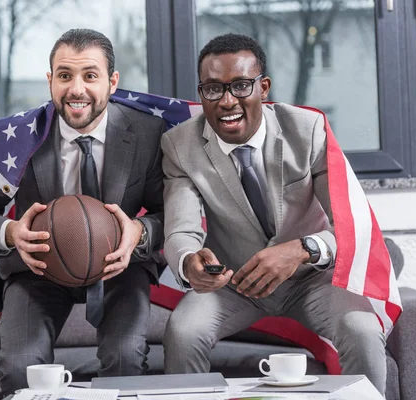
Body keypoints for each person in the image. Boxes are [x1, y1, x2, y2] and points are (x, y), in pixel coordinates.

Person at [161, 33, 387, 393]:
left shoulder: (308, 129)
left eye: (240, 86)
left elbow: (351, 223)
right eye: (213, 89)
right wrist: (189, 262)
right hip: (235, 283)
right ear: (202, 93)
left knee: (362, 329)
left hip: (312, 279)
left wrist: (300, 250)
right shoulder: (179, 144)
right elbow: (180, 228)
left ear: (263, 88)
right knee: (184, 331)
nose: (227, 101)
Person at [0, 28, 165, 396]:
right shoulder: (20, 138)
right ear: (51, 81)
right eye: (65, 76)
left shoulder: (147, 134)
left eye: (90, 75)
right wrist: (10, 233)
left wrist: (140, 232)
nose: (77, 89)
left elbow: (170, 212)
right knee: (20, 370)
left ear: (112, 82)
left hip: (119, 266)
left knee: (125, 359)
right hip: (37, 270)